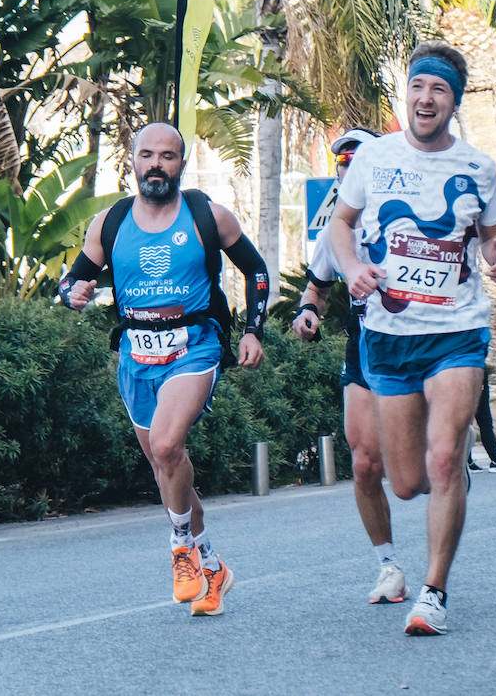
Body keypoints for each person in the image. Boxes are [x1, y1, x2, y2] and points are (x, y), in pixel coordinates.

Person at [328, 40, 496, 637]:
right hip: (387, 336)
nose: (425, 98)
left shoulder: (477, 167)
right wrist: (353, 268)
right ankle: (448, 475)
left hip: (457, 330)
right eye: (418, 86)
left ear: (453, 102)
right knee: (406, 481)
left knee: (441, 457)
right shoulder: (374, 159)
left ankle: (433, 592)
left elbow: (493, 237)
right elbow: (341, 225)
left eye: (438, 89)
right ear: (405, 93)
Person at [58, 123, 268, 617]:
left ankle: (179, 549)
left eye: (167, 156)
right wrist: (73, 295)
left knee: (169, 445)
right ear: (132, 161)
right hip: (136, 354)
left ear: (181, 163)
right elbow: (71, 283)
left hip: (195, 346)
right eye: (147, 155)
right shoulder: (108, 224)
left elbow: (255, 270)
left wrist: (253, 330)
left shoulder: (207, 216)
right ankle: (212, 564)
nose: (156, 164)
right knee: (167, 466)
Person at [292, 127, 410, 605]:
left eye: (358, 160)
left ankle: (447, 458)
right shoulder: (335, 230)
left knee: (418, 468)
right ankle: (389, 567)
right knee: (364, 462)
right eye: (342, 163)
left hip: (417, 342)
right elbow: (317, 287)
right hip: (364, 343)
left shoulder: (408, 211)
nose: (349, 169)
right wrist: (307, 313)